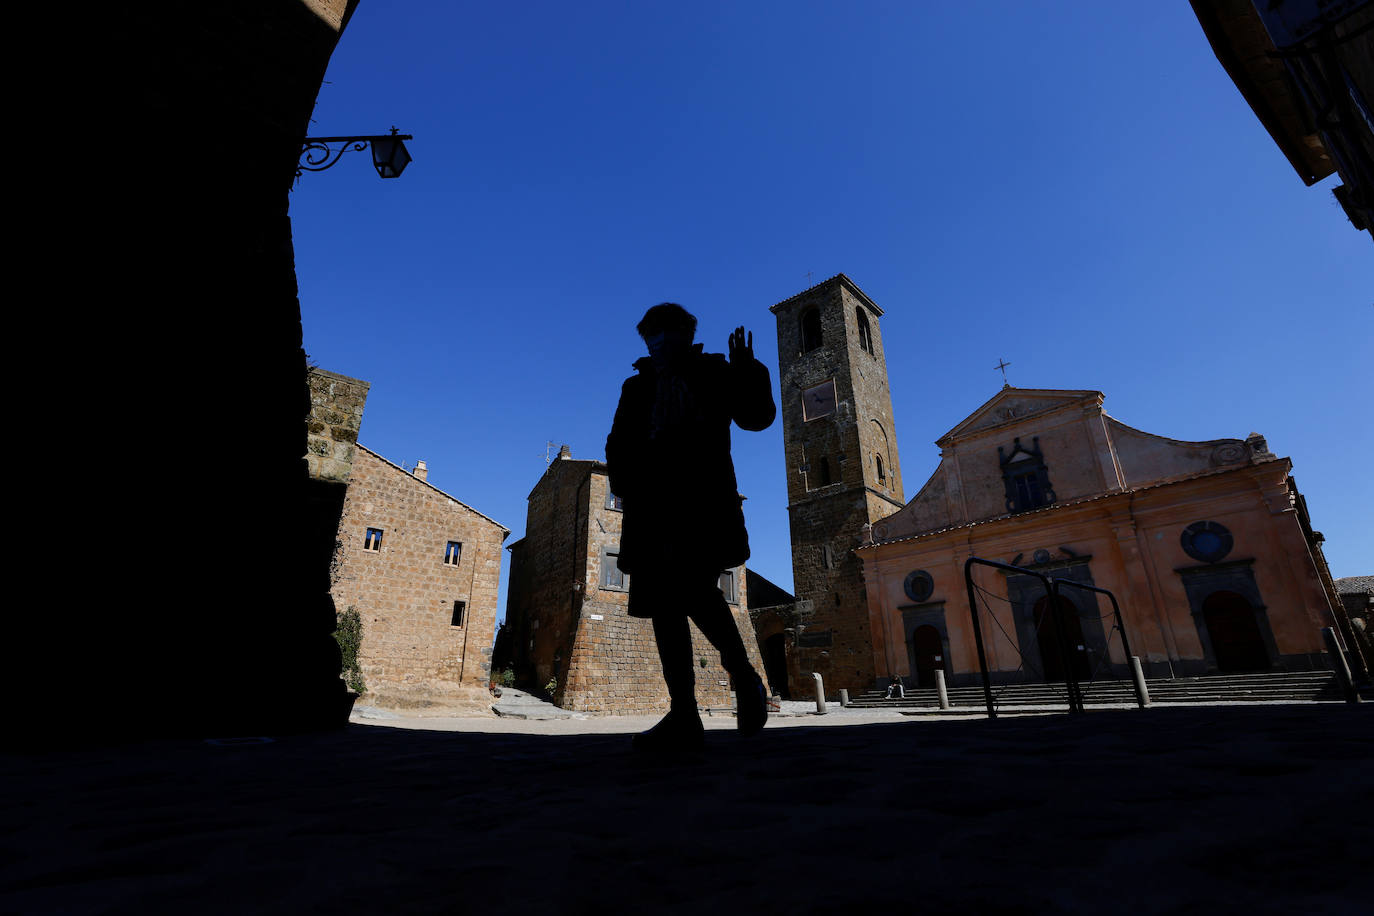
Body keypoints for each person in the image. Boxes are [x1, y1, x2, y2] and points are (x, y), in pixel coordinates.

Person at [605, 303, 776, 752]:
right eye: (652, 335)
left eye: (668, 332)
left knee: (698, 592)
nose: (660, 341)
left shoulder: (716, 372)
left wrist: (749, 370)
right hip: (650, 508)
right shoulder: (635, 387)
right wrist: (626, 485)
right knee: (663, 606)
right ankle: (684, 712)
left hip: (700, 505)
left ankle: (742, 677)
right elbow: (618, 443)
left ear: (687, 333)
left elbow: (757, 418)